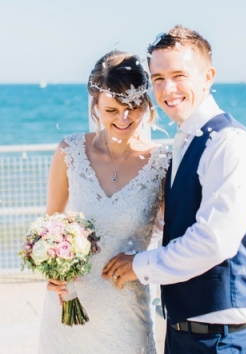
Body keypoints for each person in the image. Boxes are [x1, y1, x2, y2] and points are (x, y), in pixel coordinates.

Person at [102, 26, 246, 353]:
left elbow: (212, 242)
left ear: (208, 76)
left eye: (179, 75)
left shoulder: (229, 144)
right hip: (184, 334)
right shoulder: (185, 143)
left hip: (223, 339)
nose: (168, 88)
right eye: (159, 78)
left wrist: (136, 265)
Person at [40, 50, 168, 353]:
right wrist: (51, 272)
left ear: (145, 104)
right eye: (111, 110)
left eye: (132, 108)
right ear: (95, 107)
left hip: (126, 312)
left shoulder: (162, 164)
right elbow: (50, 225)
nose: (123, 119)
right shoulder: (69, 152)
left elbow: (184, 235)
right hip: (69, 306)